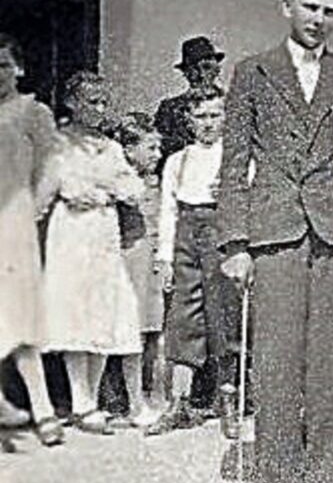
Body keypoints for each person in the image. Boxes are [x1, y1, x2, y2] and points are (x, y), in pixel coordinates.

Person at [219, 0, 333, 483]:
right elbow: (234, 162)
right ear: (286, 5)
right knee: (276, 360)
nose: (318, 19)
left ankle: (329, 479)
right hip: (275, 231)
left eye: (329, 11)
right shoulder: (252, 72)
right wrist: (234, 242)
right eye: (310, 7)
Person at [40, 71, 144, 434]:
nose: (99, 109)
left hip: (103, 233)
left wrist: (110, 187)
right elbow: (68, 188)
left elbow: (133, 187)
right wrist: (103, 186)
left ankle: (93, 401)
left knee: (105, 309)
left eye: (104, 103)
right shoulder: (58, 142)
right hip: (72, 232)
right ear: (73, 103)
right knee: (76, 310)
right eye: (92, 102)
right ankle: (81, 401)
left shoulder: (110, 146)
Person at [147, 90, 239, 437]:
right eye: (201, 116)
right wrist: (165, 257)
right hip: (186, 238)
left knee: (223, 316)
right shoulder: (177, 161)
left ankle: (227, 401)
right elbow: (168, 211)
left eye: (215, 115)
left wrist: (229, 196)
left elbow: (250, 202)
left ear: (226, 117)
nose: (208, 123)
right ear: (189, 120)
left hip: (220, 237)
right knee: (183, 317)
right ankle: (179, 403)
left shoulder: (236, 157)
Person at [0, 34, 64, 448]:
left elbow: (51, 169)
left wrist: (32, 212)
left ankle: (43, 409)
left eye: (4, 65)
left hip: (14, 224)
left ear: (19, 68)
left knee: (19, 315)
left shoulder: (32, 111)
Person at [117, 112, 167, 424]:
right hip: (131, 257)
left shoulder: (157, 181)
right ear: (129, 149)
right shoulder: (122, 183)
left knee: (153, 329)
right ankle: (132, 399)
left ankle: (151, 393)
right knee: (132, 330)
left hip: (153, 258)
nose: (157, 154)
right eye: (150, 148)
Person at [155, 36, 224, 160]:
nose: (202, 75)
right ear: (186, 73)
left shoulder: (232, 106)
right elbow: (160, 149)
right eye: (194, 69)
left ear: (217, 70)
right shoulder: (169, 110)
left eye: (207, 67)